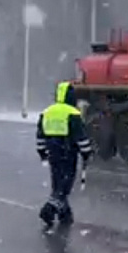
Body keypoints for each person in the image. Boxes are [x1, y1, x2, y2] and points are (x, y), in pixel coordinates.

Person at [35, 81, 93, 228]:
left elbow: (40, 136)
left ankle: (64, 214)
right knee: (65, 185)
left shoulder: (47, 112)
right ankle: (49, 209)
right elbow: (80, 136)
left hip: (53, 153)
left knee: (57, 183)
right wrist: (86, 152)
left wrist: (42, 153)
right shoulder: (72, 113)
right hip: (68, 153)